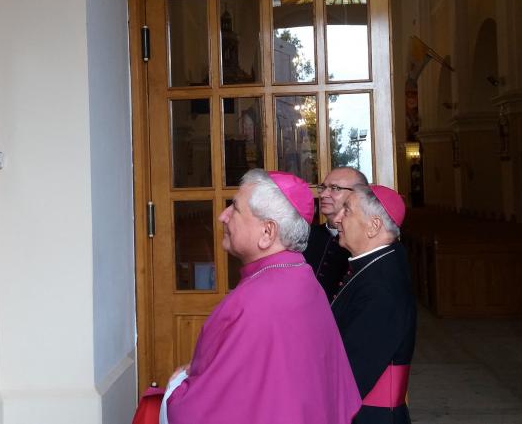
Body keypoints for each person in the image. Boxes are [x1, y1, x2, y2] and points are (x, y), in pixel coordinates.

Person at [161, 169, 362, 424]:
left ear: (267, 232)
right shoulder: (303, 277)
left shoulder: (251, 303)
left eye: (235, 208)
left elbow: (203, 411)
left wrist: (176, 387)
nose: (223, 216)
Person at [330, 184, 416, 424]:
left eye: (347, 210)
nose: (337, 219)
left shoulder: (380, 288)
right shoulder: (376, 266)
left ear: (374, 226)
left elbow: (352, 375)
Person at [304, 167, 368, 301]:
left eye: (335, 188)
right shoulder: (306, 235)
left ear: (358, 195)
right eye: (323, 187)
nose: (322, 195)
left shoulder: (368, 241)